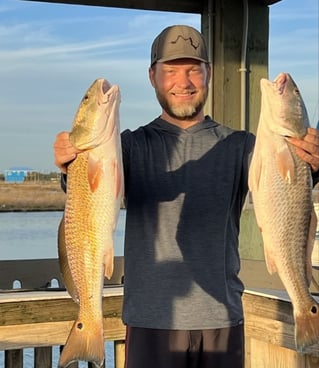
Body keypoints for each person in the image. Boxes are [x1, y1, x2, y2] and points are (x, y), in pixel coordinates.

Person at [53, 25, 319, 368]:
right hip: (151, 320)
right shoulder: (129, 147)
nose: (184, 82)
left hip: (222, 319)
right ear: (152, 76)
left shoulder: (242, 147)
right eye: (171, 71)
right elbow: (89, 202)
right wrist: (69, 167)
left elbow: (284, 197)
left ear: (209, 73)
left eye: (194, 69)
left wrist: (309, 166)